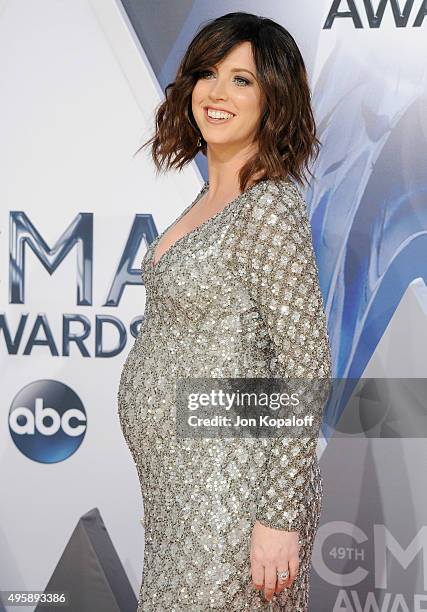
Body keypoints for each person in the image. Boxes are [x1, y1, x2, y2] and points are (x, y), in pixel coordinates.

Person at [118, 11, 332, 611]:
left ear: (274, 99)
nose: (217, 93)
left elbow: (306, 366)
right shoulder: (208, 198)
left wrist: (280, 517)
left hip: (232, 504)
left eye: (242, 80)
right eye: (208, 73)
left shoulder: (269, 208)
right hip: (177, 502)